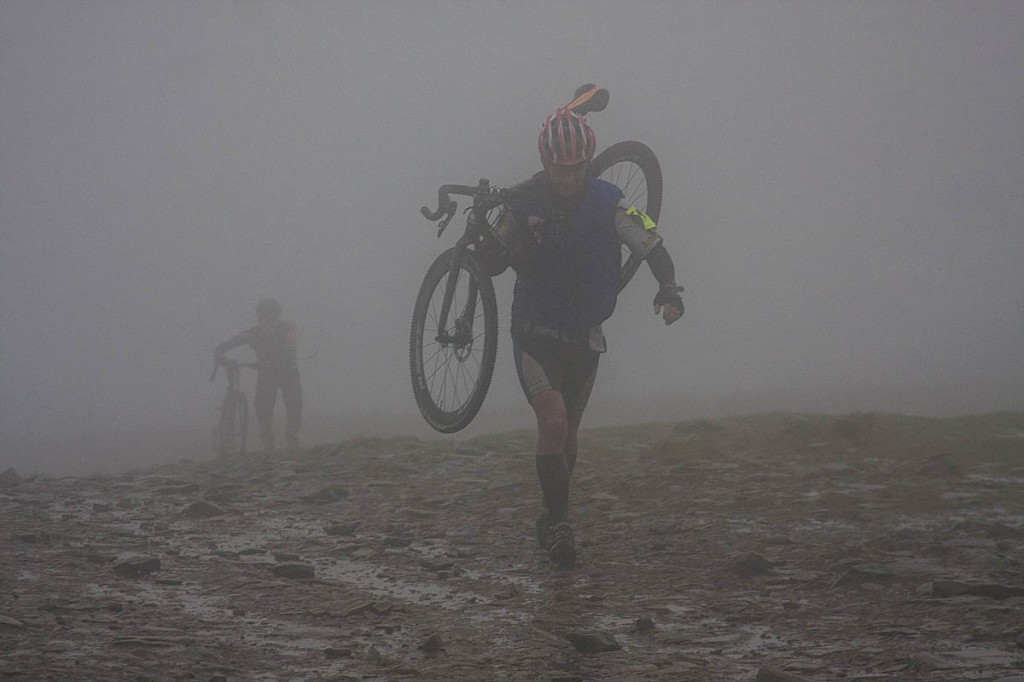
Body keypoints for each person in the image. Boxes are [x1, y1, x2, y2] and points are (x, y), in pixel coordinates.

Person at [478, 108, 684, 568]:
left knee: (568, 438)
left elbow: (653, 243)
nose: (566, 177)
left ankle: (550, 516)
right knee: (551, 422)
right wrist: (493, 246)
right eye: (557, 168)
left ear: (586, 163)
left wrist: (668, 289)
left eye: (574, 168)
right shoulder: (522, 201)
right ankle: (563, 524)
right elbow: (491, 263)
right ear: (545, 163)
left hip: (585, 336)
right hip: (533, 330)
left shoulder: (611, 201)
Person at [214, 298, 303, 452]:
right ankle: (274, 441)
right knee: (266, 408)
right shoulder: (256, 332)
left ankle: (287, 438)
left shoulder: (283, 329)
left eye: (268, 315)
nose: (265, 318)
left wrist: (219, 352)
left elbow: (290, 349)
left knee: (291, 405)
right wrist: (219, 352)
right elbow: (232, 342)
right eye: (263, 315)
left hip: (283, 371)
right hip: (272, 373)